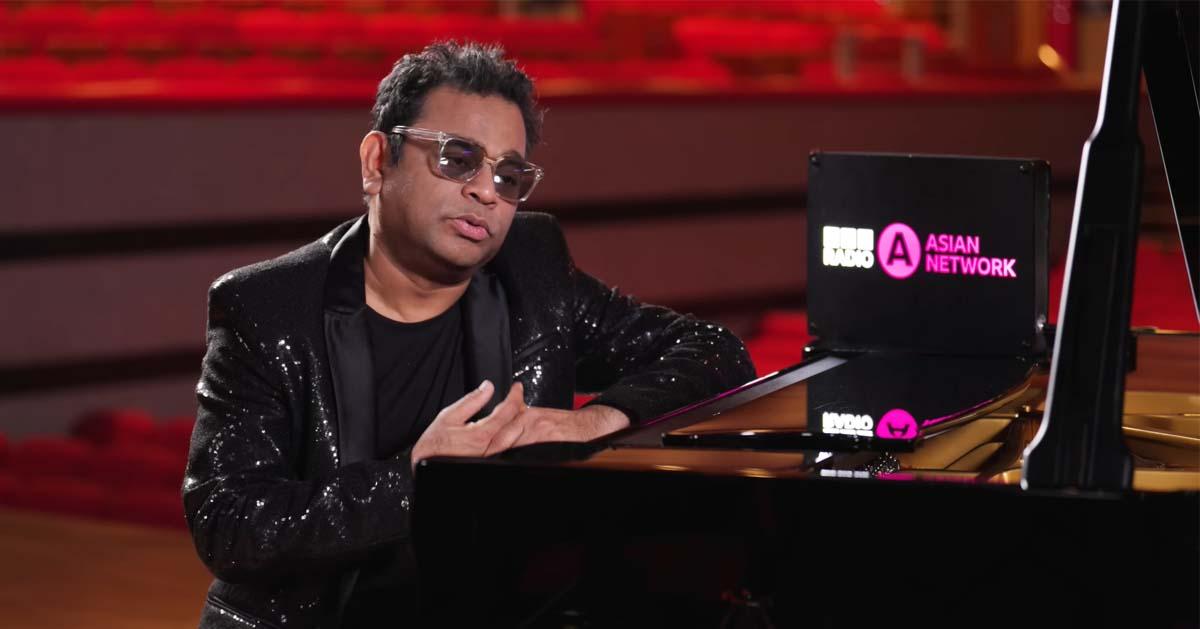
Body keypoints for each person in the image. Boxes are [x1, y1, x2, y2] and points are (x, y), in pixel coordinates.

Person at [183, 41, 754, 628]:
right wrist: (415, 479)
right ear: (377, 162)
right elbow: (229, 525)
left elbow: (716, 353)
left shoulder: (531, 274)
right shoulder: (269, 309)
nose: (486, 192)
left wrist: (594, 423)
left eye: (509, 176)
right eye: (457, 159)